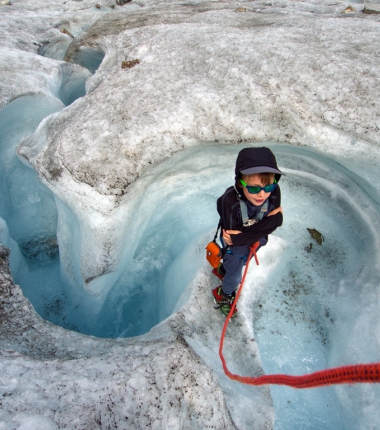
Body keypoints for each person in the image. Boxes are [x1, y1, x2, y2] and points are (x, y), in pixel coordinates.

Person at [212, 147, 284, 316]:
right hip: (235, 247)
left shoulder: (274, 192)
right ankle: (224, 294)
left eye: (268, 187)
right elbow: (233, 241)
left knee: (244, 259)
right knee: (235, 276)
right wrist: (270, 223)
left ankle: (223, 270)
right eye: (253, 188)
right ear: (240, 182)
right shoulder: (230, 200)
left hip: (253, 240)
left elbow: (276, 220)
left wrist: (247, 235)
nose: (261, 194)